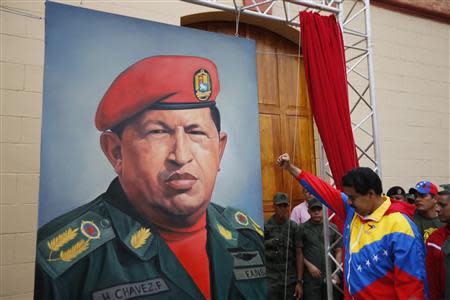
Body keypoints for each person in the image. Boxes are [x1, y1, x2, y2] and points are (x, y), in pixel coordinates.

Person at [34, 56, 266, 300]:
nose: (181, 155)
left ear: (219, 151)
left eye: (196, 132)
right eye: (158, 132)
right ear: (116, 153)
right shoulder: (61, 266)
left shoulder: (248, 238)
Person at [276, 153, 427, 299]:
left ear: (370, 194)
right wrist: (290, 168)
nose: (348, 202)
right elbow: (322, 189)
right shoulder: (353, 210)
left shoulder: (400, 227)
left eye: (352, 197)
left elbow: (412, 287)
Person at [297, 198, 342, 300]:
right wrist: (309, 265)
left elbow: (338, 251)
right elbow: (299, 253)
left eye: (319, 209)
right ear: (308, 211)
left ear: (324, 210)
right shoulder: (302, 229)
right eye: (313, 210)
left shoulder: (333, 228)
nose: (316, 212)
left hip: (330, 276)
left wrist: (337, 273)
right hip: (311, 278)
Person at [265, 192, 303, 300]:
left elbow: (299, 253)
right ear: (273, 206)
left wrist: (299, 282)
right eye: (279, 206)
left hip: (290, 280)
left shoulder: (294, 227)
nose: (282, 209)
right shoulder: (265, 227)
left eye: (285, 206)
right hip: (271, 280)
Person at [425, 190, 450, 300]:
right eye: (436, 205)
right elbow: (431, 280)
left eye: (442, 205)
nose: (437, 209)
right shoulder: (435, 238)